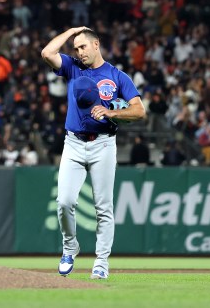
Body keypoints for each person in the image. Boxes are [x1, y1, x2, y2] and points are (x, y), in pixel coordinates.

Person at [41, 26, 145, 280]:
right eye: (76, 48)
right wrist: (72, 31)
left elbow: (139, 110)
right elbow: (47, 52)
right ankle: (70, 247)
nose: (79, 52)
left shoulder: (117, 76)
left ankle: (101, 261)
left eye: (83, 46)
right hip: (74, 143)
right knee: (64, 201)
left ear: (96, 44)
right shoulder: (73, 67)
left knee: (103, 207)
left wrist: (111, 113)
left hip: (103, 144)